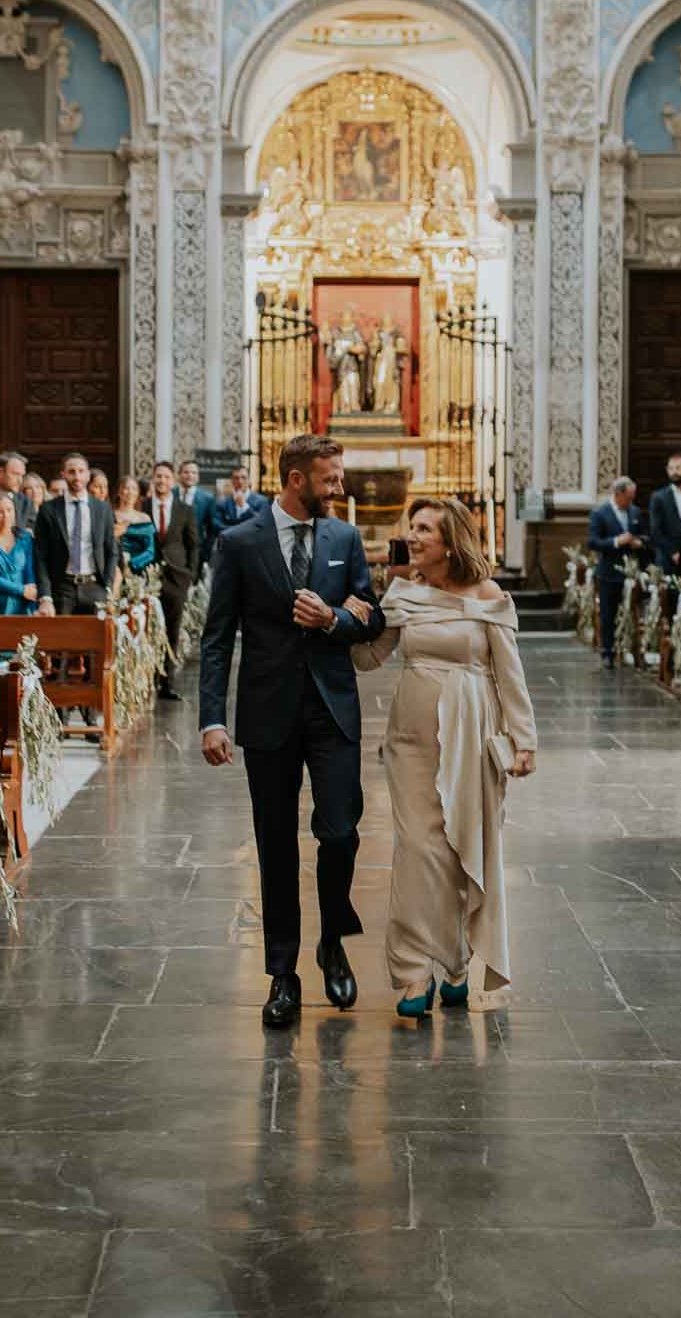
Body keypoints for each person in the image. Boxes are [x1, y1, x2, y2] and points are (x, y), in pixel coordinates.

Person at [199, 434, 384, 1030]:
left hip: (332, 712)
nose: (340, 488)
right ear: (297, 479)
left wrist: (333, 618)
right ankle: (283, 973)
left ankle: (333, 938)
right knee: (275, 844)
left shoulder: (345, 538)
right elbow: (217, 637)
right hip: (268, 712)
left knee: (340, 833)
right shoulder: (240, 541)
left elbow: (371, 614)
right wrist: (212, 717)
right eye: (330, 478)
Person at [347, 498, 536, 1017]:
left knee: (459, 848)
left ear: (450, 543)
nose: (413, 535)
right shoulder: (404, 592)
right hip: (411, 738)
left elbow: (509, 674)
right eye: (413, 526)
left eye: (424, 528)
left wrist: (524, 741)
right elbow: (368, 657)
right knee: (416, 848)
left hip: (471, 735)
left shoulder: (487, 595)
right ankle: (412, 972)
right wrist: (348, 619)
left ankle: (454, 964)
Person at [33, 452, 117, 616]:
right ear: (63, 474)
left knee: (96, 641)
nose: (77, 476)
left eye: (81, 471)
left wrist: (107, 587)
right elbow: (40, 556)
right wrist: (45, 597)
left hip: (95, 587)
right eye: (71, 472)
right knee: (62, 641)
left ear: (87, 475)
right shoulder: (48, 510)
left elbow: (112, 550)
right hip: (62, 588)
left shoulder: (103, 509)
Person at [143, 461, 199, 702]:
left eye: (166, 477)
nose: (162, 481)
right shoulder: (143, 507)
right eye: (158, 477)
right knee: (147, 629)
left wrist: (190, 575)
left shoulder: (184, 509)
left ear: (173, 481)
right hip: (148, 577)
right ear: (153, 480)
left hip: (177, 578)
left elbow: (193, 544)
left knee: (171, 631)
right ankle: (147, 679)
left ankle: (168, 682)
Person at [587, 475, 645, 669]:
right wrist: (616, 541)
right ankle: (608, 652)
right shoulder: (600, 513)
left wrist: (639, 542)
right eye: (628, 497)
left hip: (631, 572)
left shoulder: (635, 511)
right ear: (618, 494)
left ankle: (633, 650)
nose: (631, 502)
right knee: (608, 614)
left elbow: (645, 534)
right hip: (609, 572)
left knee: (634, 612)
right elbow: (593, 542)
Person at [0, 490, 38, 616]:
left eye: (9, 510)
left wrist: (32, 595)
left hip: (24, 605)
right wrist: (21, 590)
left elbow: (29, 571)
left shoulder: (25, 538)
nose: (5, 515)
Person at [647, 453, 681, 573]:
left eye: (678, 468)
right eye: (671, 468)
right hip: (667, 558)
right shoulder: (658, 497)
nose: (674, 472)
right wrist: (673, 552)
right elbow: (655, 530)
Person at [177, 458, 216, 571]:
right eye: (186, 472)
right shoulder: (171, 494)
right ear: (179, 475)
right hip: (173, 551)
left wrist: (205, 553)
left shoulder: (207, 498)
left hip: (197, 552)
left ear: (198, 476)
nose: (190, 475)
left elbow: (212, 530)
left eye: (194, 473)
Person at [113, 475, 157, 577]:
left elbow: (150, 550)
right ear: (119, 491)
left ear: (138, 493)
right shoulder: (109, 515)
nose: (130, 492)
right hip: (114, 570)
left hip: (138, 571)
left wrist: (131, 564)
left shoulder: (144, 518)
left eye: (134, 489)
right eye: (126, 488)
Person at [212, 464, 269, 533]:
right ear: (232, 481)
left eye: (244, 478)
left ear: (249, 480)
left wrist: (244, 506)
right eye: (236, 478)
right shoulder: (222, 502)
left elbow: (263, 524)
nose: (240, 481)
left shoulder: (262, 501)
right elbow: (217, 526)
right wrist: (237, 532)